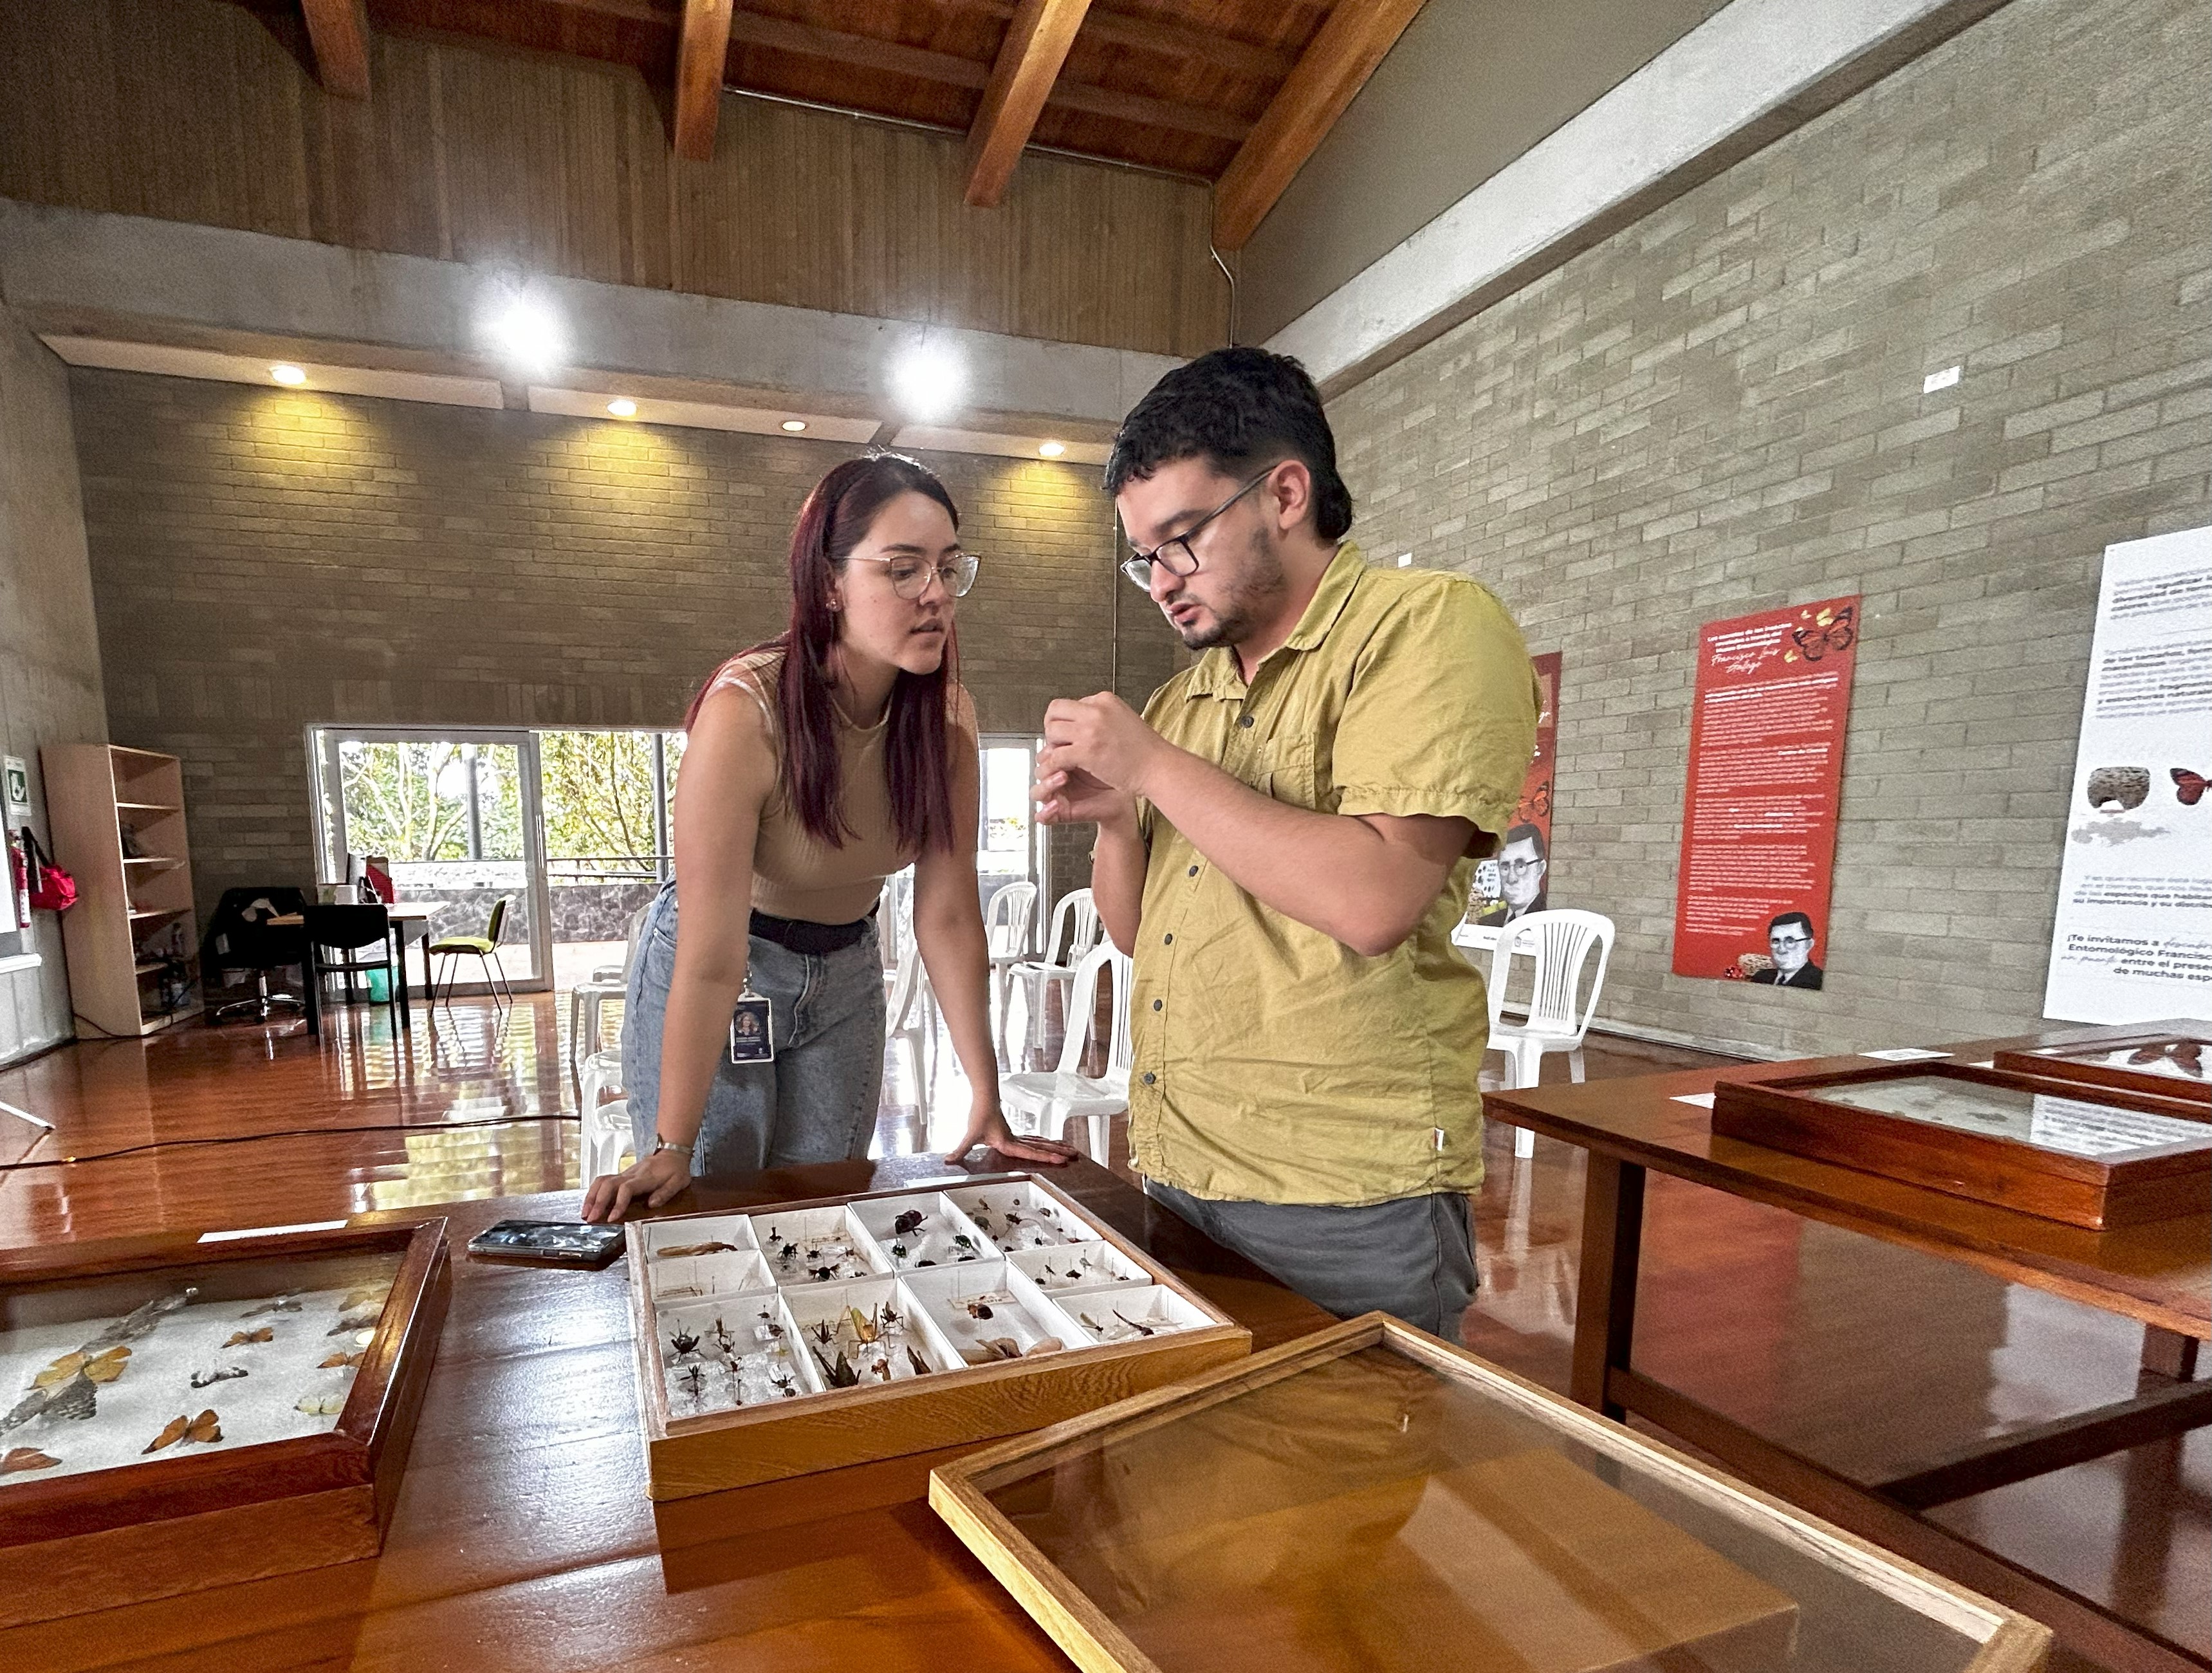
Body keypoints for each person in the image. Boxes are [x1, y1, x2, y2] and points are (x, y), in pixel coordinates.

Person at [1033, 346, 1538, 1337]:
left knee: (1343, 1480)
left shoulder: (1425, 624)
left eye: (1180, 539)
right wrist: (1110, 826)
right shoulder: (1189, 695)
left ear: (1285, 494)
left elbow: (1376, 899)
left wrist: (1151, 769)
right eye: (1143, 557)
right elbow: (1140, 937)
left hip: (1345, 1188)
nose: (1161, 583)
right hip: (1181, 1165)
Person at [585, 454, 1069, 1224]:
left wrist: (986, 1092)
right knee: (711, 1203)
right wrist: (672, 1143)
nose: (936, 594)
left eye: (949, 568)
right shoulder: (748, 709)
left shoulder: (945, 721)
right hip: (730, 963)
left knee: (823, 1211)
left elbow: (946, 915)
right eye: (903, 569)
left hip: (847, 969)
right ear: (830, 582)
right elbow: (711, 956)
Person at [1474, 822, 1548, 926]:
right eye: (1505, 867)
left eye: (1521, 866)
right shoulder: (1487, 921)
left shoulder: (1547, 922)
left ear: (1540, 869)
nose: (1511, 878)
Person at [1749, 910, 1824, 989]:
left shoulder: (1820, 981)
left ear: (1808, 944)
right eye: (1776, 941)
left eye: (1790, 942)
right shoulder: (1761, 978)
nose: (1782, 950)